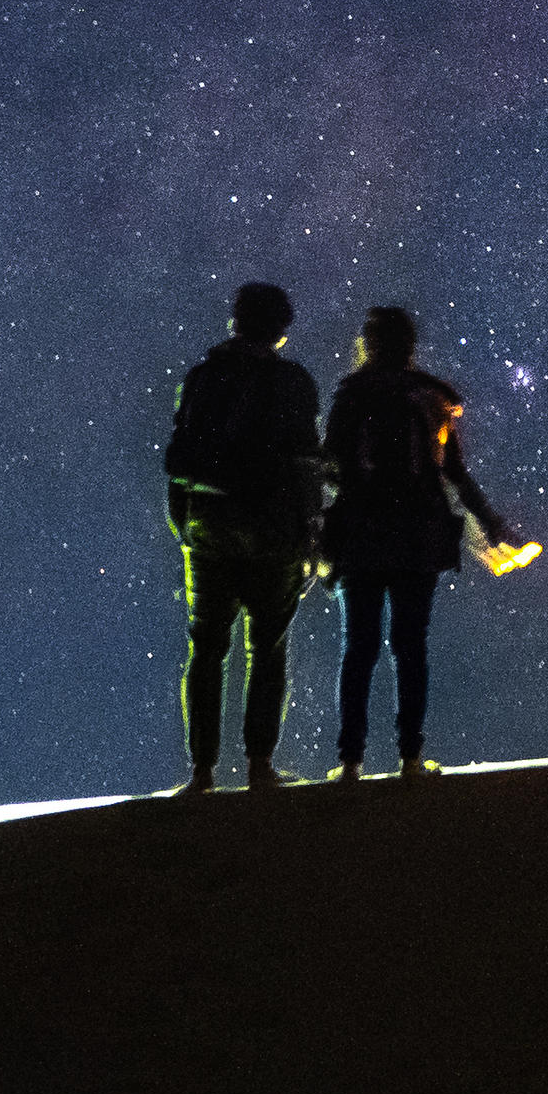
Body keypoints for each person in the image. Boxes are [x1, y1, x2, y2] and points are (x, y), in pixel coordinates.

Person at [322, 303, 518, 781]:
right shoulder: (433, 397)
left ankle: (350, 762)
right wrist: (491, 523)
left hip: (362, 535)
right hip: (417, 535)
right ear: (410, 345)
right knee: (410, 647)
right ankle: (411, 758)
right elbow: (454, 472)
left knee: (358, 647)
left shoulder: (351, 394)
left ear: (366, 344)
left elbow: (330, 466)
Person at [161, 278, 325, 790]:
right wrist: (311, 533)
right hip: (274, 529)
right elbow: (305, 465)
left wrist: (185, 526)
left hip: (208, 524)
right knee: (268, 645)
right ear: (281, 328)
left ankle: (202, 772)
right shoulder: (294, 382)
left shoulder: (203, 378)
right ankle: (259, 767)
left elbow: (177, 460)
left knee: (206, 647)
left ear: (235, 319)